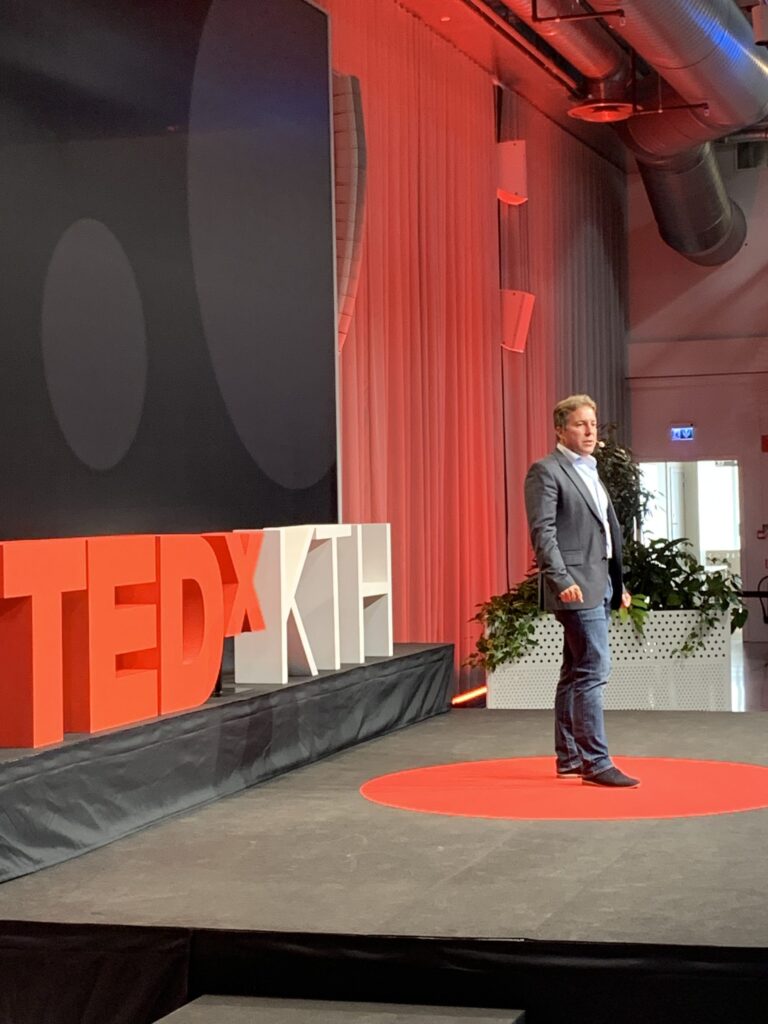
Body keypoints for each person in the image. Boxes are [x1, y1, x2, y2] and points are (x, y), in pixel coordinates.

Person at [524, 394, 639, 788]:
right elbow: (544, 535)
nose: (590, 431)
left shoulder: (591, 470)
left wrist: (617, 585)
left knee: (575, 672)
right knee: (593, 670)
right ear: (560, 429)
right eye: (580, 424)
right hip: (574, 586)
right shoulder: (546, 471)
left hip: (599, 583)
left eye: (592, 423)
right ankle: (595, 762)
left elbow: (605, 535)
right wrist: (562, 580)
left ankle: (571, 757)